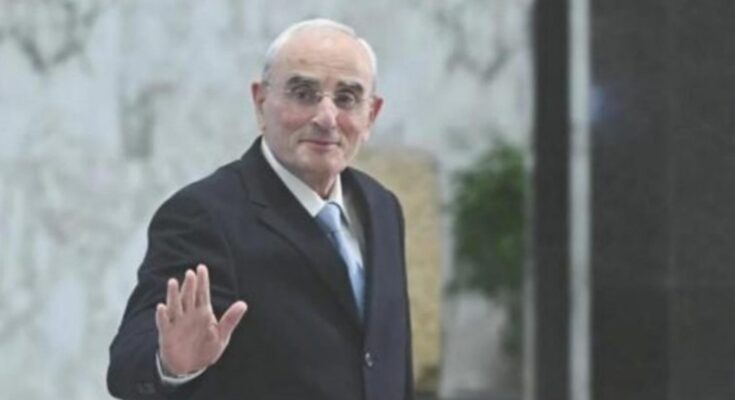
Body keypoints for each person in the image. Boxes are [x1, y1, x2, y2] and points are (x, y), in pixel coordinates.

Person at [107, 18, 414, 400]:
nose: (326, 118)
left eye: (347, 98)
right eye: (303, 93)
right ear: (260, 101)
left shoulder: (382, 206)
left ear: (372, 114)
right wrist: (172, 365)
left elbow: (386, 360)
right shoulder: (202, 215)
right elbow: (127, 366)